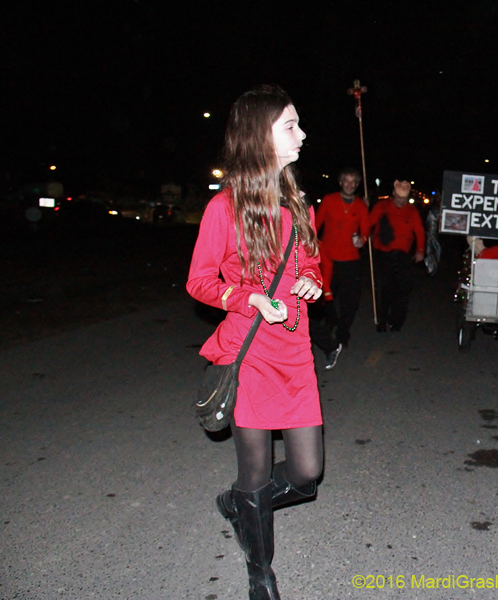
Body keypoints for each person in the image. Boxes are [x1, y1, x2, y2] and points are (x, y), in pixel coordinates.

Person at [186, 85, 325, 600]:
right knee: (257, 470)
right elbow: (200, 281)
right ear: (258, 136)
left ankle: (239, 504)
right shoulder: (223, 207)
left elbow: (311, 261)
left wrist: (312, 280)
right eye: (290, 125)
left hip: (295, 350)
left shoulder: (297, 203)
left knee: (307, 473)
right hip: (250, 353)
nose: (302, 134)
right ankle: (260, 573)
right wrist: (248, 299)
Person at [315, 168, 370, 350]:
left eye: (353, 181)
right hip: (328, 259)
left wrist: (362, 239)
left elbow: (365, 229)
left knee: (351, 302)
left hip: (351, 260)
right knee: (326, 298)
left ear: (357, 184)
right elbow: (316, 224)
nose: (349, 184)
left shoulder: (361, 205)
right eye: (346, 180)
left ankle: (342, 333)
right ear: (340, 182)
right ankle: (326, 327)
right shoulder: (329, 200)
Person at [368, 179, 425, 332]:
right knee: (384, 288)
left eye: (404, 199)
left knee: (402, 289)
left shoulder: (412, 211)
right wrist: (364, 234)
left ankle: (397, 320)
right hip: (384, 252)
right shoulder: (382, 206)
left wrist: (420, 250)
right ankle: (381, 320)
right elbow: (369, 223)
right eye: (399, 198)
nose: (401, 201)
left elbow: (419, 231)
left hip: (403, 255)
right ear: (393, 194)